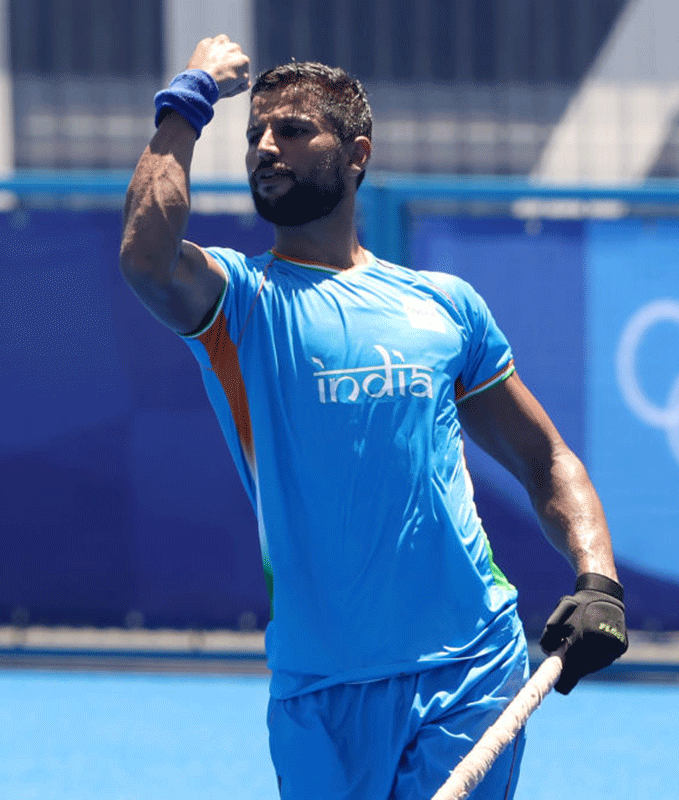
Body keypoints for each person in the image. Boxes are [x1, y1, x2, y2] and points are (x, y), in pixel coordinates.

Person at [119, 34, 628, 799]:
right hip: (319, 688)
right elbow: (147, 255)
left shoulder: (445, 306)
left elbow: (544, 459)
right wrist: (190, 98)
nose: (265, 146)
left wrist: (599, 582)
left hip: (468, 665)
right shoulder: (238, 301)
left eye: (292, 131)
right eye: (257, 132)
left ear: (356, 155)